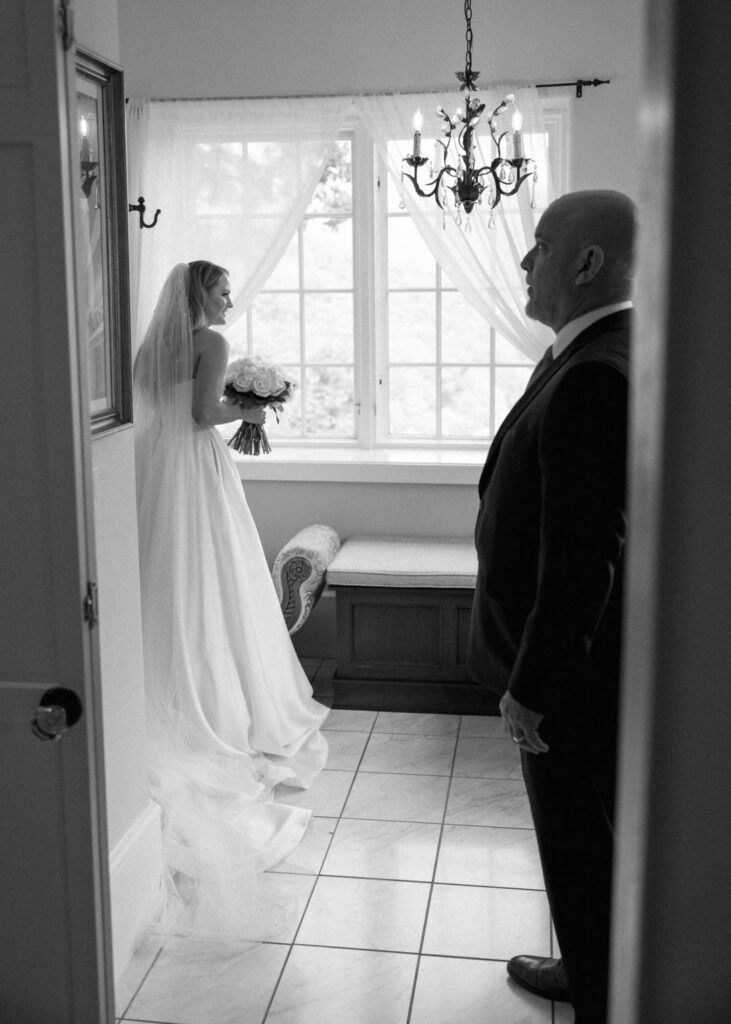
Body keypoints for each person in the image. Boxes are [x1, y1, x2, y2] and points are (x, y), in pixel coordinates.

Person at [467, 191, 636, 1023]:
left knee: (577, 844)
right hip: (581, 664)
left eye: (538, 246)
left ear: (586, 261)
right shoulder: (593, 349)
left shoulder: (596, 373)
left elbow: (581, 557)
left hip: (568, 678)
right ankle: (591, 961)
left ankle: (599, 990)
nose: (525, 263)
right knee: (587, 845)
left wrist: (531, 686)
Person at [133, 260, 329, 938]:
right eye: (221, 290)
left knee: (170, 574)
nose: (228, 300)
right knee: (212, 574)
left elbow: (158, 404)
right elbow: (201, 412)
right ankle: (216, 702)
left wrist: (244, 404)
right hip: (193, 464)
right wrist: (251, 407)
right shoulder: (208, 342)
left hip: (154, 465)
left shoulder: (150, 344)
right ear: (197, 295)